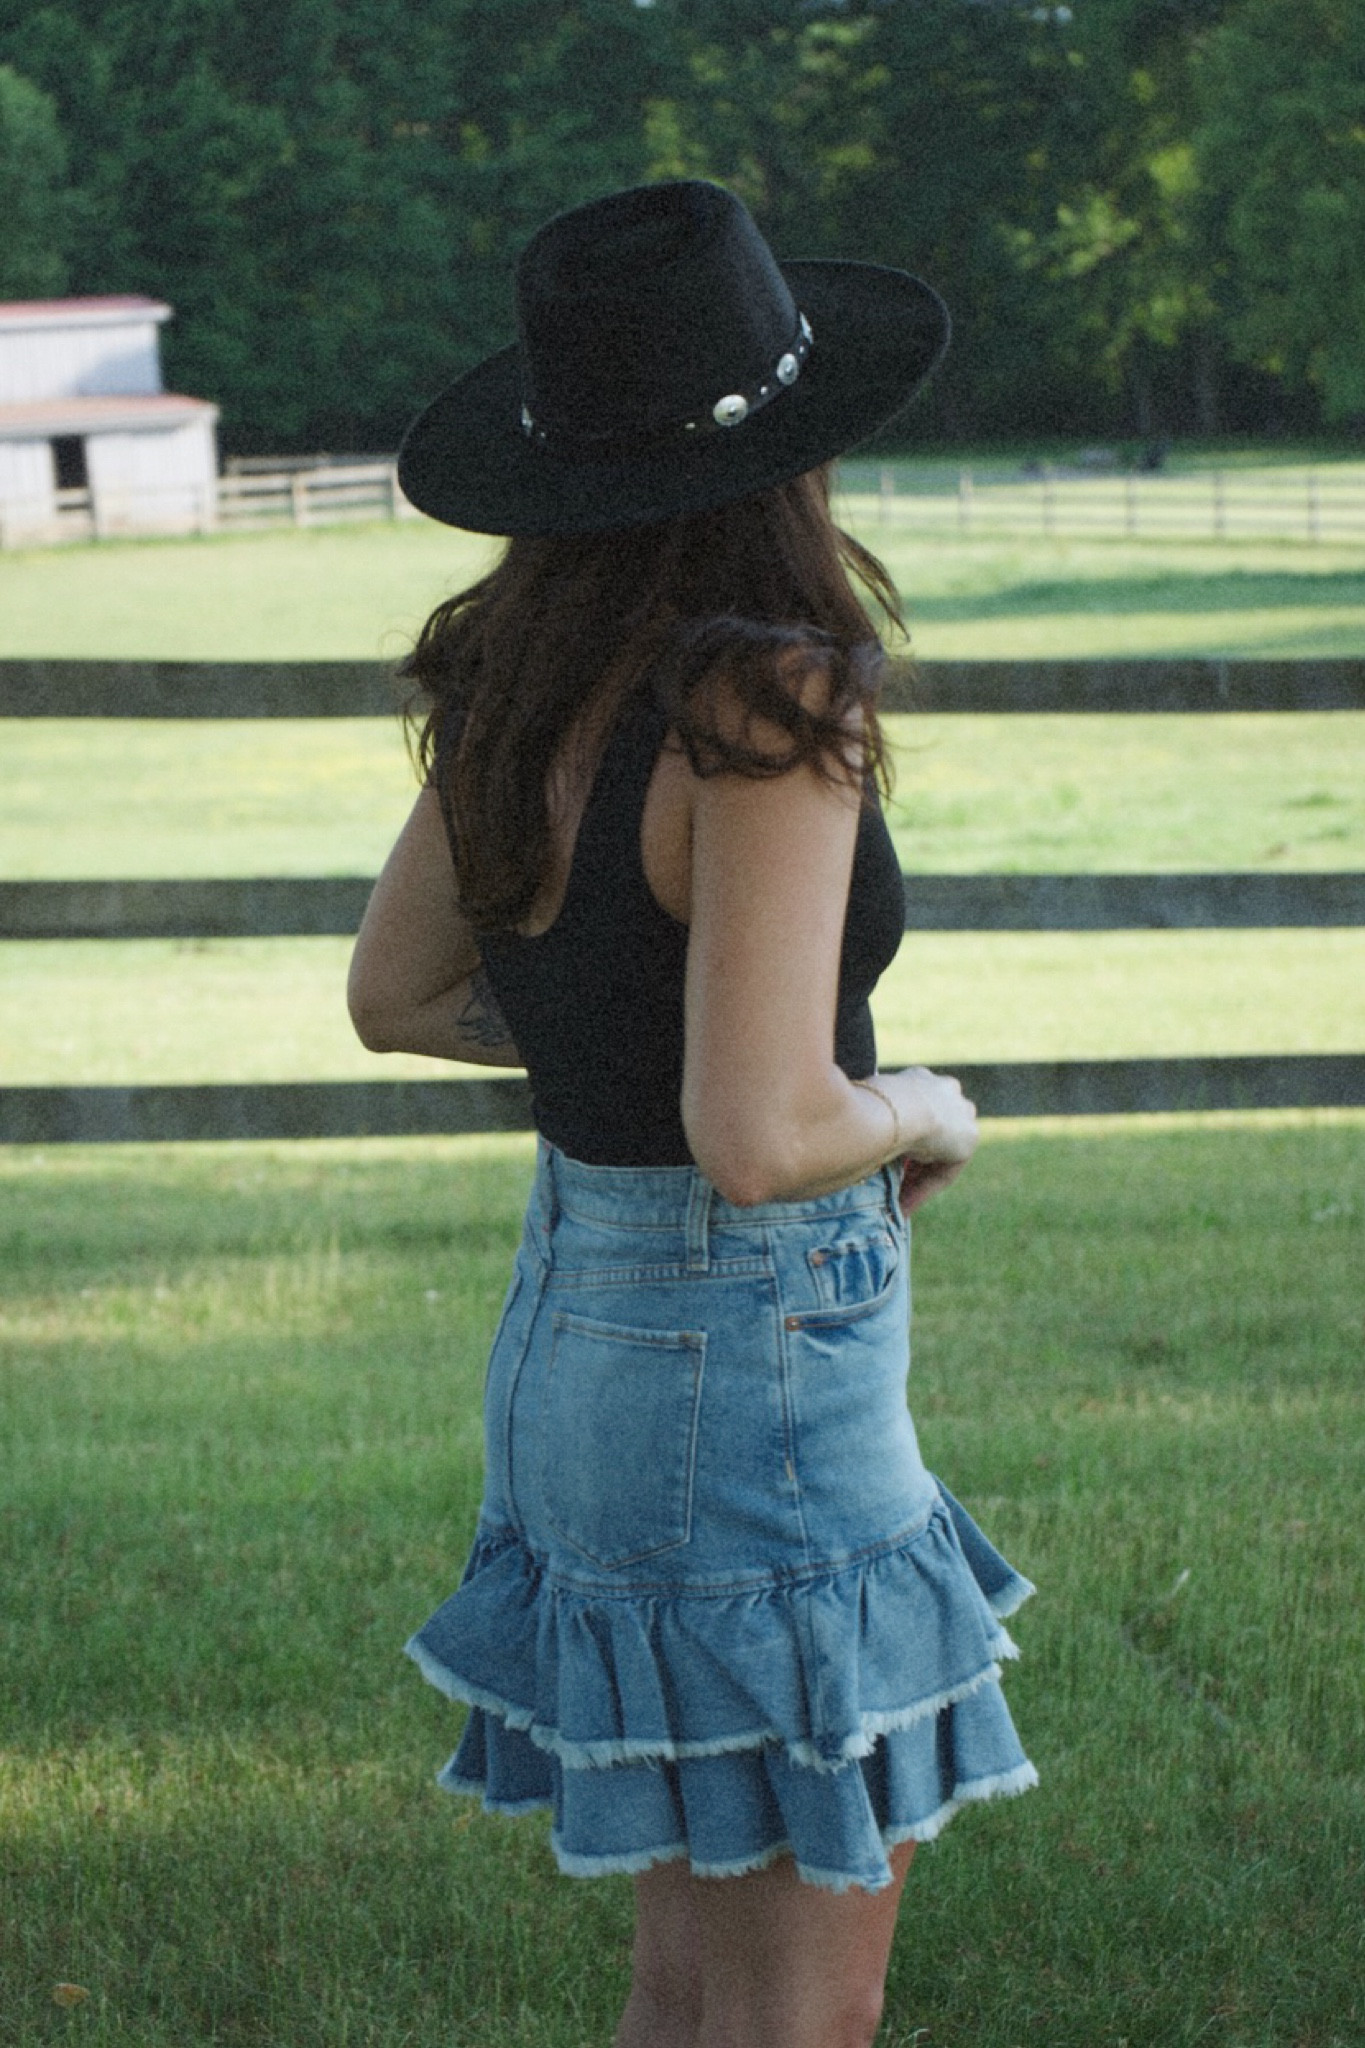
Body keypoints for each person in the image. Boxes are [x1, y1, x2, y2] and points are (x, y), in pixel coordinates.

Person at [348, 180, 1036, 2048]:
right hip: (751, 1379)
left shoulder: (517, 681)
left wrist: (628, 1051)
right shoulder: (769, 700)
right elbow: (755, 1135)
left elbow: (396, 1000)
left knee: (685, 1992)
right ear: (796, 451)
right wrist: (909, 1106)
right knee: (801, 2017)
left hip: (575, 1347)